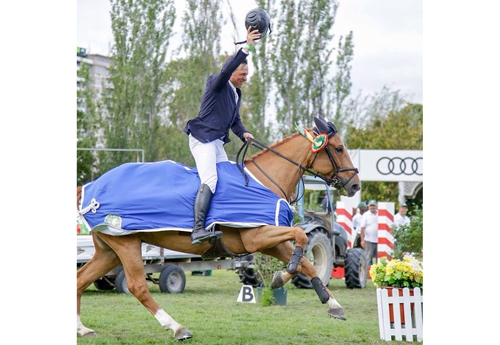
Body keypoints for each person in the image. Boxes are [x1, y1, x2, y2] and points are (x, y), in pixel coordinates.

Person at [183, 26, 260, 246]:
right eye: (243, 74)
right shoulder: (216, 83)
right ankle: (197, 229)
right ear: (233, 71)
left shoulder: (236, 93)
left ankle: (217, 223)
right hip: (202, 138)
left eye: (247, 74)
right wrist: (246, 46)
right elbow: (226, 70)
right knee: (211, 179)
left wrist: (243, 132)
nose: (245, 78)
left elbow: (234, 120)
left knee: (225, 177)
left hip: (216, 142)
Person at [360, 199, 379, 267]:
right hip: (369, 240)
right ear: (368, 206)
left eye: (373, 205)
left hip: (379, 240)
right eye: (371, 205)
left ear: (376, 206)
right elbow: (362, 229)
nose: (372, 207)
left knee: (378, 258)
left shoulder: (380, 214)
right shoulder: (366, 215)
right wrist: (362, 240)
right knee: (367, 258)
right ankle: (366, 273)